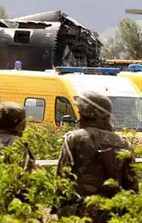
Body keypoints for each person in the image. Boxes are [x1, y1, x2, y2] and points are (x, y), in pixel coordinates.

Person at [56, 91, 138, 221]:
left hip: (80, 215)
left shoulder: (74, 139)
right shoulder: (123, 143)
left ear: (86, 115)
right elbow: (132, 186)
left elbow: (62, 179)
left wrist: (60, 210)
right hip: (113, 215)